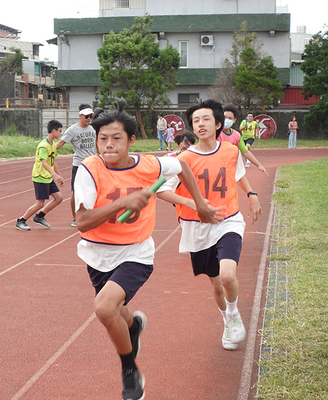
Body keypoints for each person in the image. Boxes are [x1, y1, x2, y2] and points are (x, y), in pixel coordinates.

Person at [74, 101, 220, 400]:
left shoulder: (150, 164)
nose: (109, 144)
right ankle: (134, 326)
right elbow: (82, 221)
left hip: (135, 252)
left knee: (104, 308)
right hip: (96, 254)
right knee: (117, 311)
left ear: (131, 140)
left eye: (116, 138)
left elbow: (182, 166)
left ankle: (130, 371)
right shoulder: (90, 170)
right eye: (103, 138)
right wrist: (120, 204)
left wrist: (199, 203)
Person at [157, 99, 262, 352]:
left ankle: (234, 313)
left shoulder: (230, 151)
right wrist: (194, 203)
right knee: (216, 283)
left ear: (218, 124)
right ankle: (227, 320)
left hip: (228, 220)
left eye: (205, 119)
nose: (200, 124)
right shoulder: (182, 159)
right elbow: (162, 191)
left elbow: (237, 175)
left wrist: (252, 194)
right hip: (197, 226)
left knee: (227, 275)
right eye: (195, 121)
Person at [16, 120, 65, 231]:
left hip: (48, 177)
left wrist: (58, 176)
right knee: (40, 203)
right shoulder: (43, 145)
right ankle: (21, 220)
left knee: (59, 198)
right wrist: (54, 175)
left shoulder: (52, 145)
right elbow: (44, 162)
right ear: (53, 131)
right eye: (59, 131)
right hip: (40, 177)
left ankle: (39, 216)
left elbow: (53, 161)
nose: (60, 133)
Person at [56, 104, 97, 227]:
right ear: (80, 116)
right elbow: (60, 143)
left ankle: (91, 214)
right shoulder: (72, 130)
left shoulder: (93, 128)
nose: (88, 119)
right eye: (86, 116)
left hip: (93, 165)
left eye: (90, 116)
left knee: (94, 191)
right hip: (79, 165)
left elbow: (98, 144)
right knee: (76, 192)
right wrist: (47, 149)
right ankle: (75, 218)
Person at [221, 105, 268, 176]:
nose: (227, 120)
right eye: (224, 117)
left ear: (234, 120)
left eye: (230, 118)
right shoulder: (214, 133)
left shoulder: (236, 135)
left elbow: (245, 151)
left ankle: (247, 161)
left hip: (228, 169)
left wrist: (259, 165)